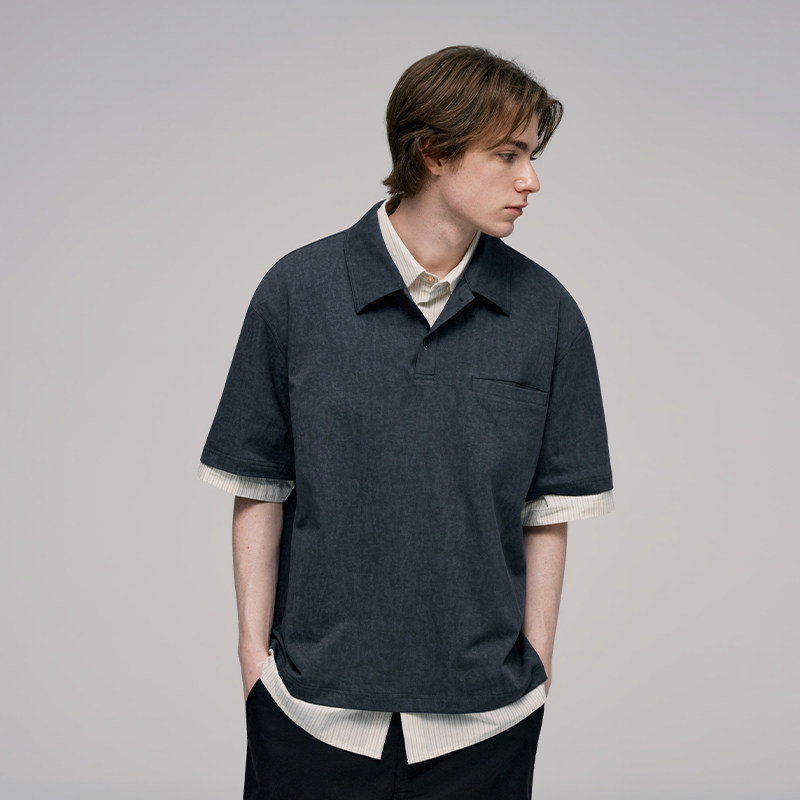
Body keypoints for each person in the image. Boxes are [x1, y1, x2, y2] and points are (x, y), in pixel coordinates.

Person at [198, 45, 614, 799]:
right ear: (433, 153)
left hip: (486, 720)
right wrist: (254, 664)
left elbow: (548, 513)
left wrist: (537, 668)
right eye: (509, 154)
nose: (531, 180)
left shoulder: (548, 313)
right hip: (311, 713)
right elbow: (258, 487)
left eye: (532, 155)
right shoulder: (296, 293)